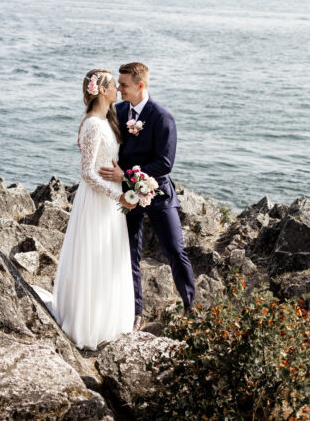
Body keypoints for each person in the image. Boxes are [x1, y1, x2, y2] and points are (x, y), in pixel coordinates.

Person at [36, 69, 135, 349]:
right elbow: (88, 174)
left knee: (109, 260)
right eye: (114, 86)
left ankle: (107, 321)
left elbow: (109, 164)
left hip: (111, 203)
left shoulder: (108, 121)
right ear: (102, 91)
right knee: (94, 259)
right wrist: (119, 197)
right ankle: (88, 324)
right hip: (96, 203)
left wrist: (122, 181)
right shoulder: (92, 124)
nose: (118, 89)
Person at [100, 61, 195, 328]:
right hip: (126, 198)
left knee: (175, 250)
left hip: (158, 195)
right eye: (118, 84)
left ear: (141, 85)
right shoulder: (117, 111)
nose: (119, 89)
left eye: (124, 85)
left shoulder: (162, 117)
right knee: (130, 253)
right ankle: (135, 313)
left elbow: (165, 164)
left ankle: (191, 307)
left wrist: (127, 175)